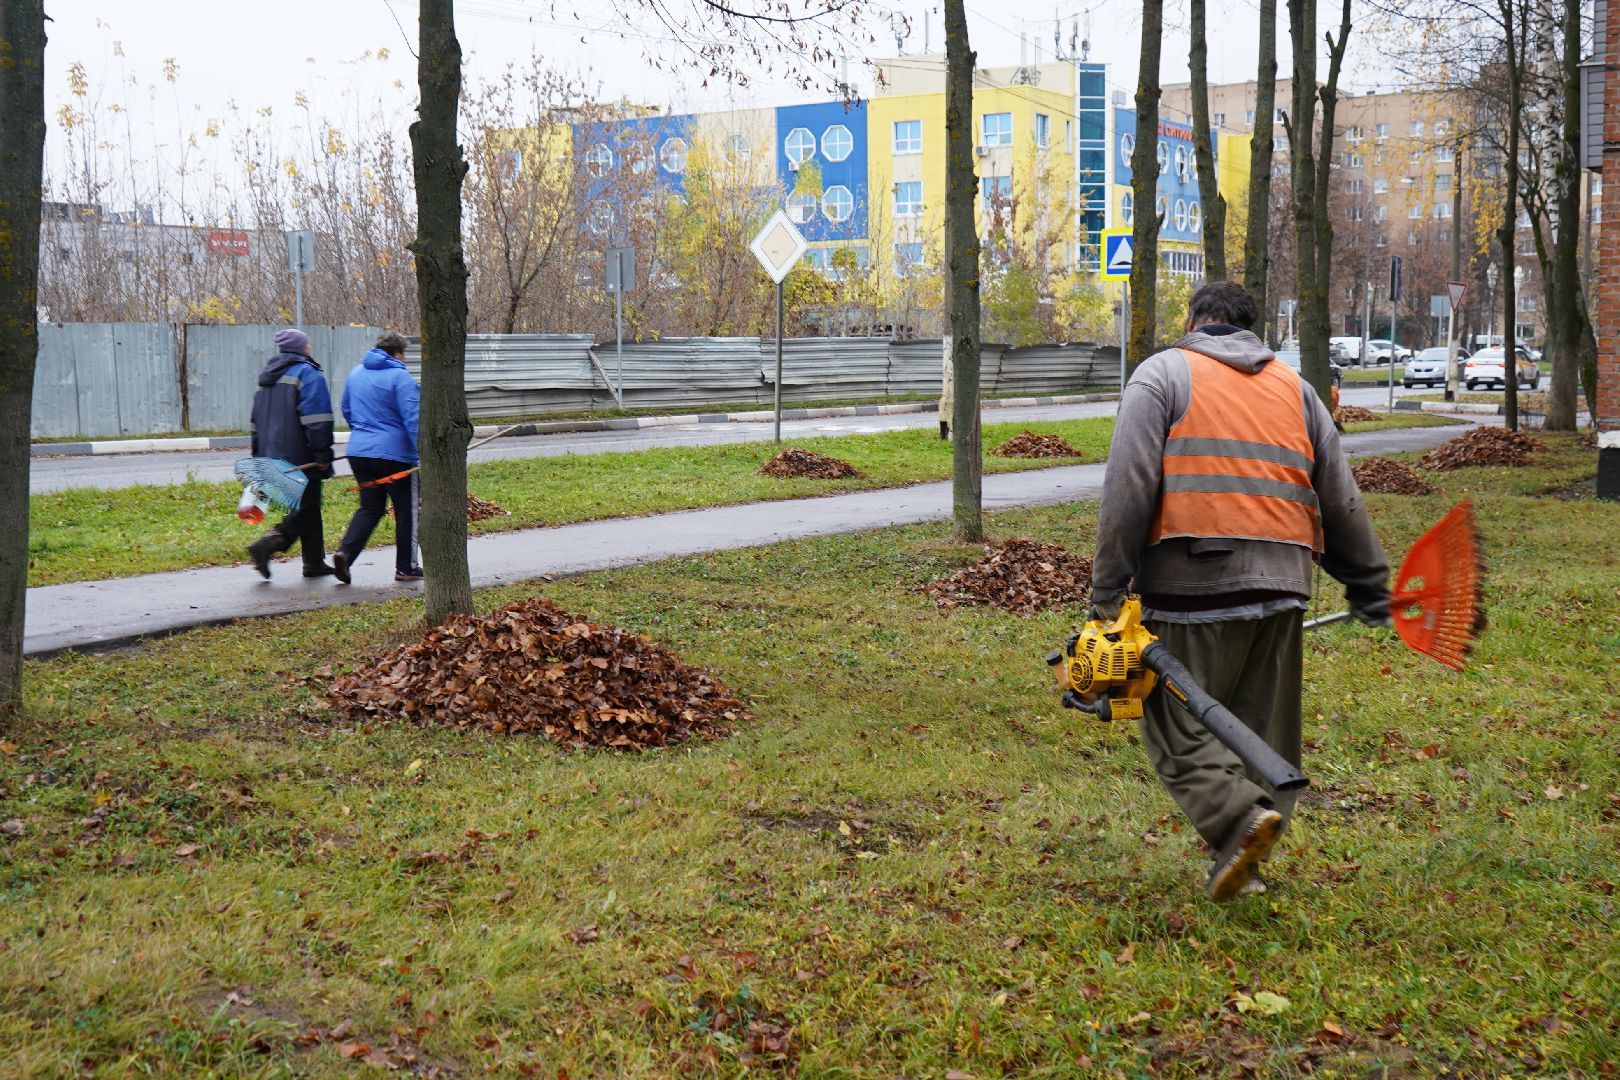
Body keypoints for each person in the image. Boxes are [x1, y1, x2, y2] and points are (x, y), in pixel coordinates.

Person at [1090, 281, 1391, 901]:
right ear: (1254, 329)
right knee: (1256, 729)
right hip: (1285, 584)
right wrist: (1367, 583)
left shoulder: (1163, 376)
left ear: (1194, 321)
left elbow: (1127, 489)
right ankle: (1242, 861)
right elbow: (1340, 495)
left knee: (1174, 723)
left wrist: (1106, 595)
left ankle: (1237, 823)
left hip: (1190, 583)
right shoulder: (1297, 389)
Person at [332, 331, 423, 584]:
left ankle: (345, 554)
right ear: (397, 353)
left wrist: (364, 435)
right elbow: (412, 419)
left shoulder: (355, 373)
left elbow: (347, 409)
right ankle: (407, 567)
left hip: (359, 452)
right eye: (404, 354)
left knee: (370, 507)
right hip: (395, 456)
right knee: (406, 510)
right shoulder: (400, 376)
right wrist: (421, 454)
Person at [246, 328, 336, 579]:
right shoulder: (307, 374)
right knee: (305, 510)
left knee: (309, 506)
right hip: (301, 456)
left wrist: (258, 455)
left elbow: (255, 422)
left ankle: (314, 562)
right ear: (302, 348)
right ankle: (269, 543)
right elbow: (317, 419)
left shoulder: (266, 379)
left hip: (271, 456)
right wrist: (322, 453)